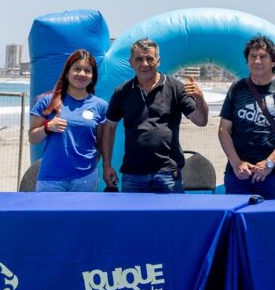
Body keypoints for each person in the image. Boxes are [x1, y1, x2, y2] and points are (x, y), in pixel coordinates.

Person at [101, 38, 209, 193]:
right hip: (133, 174)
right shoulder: (121, 92)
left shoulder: (175, 88)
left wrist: (199, 98)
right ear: (131, 62)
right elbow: (109, 128)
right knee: (132, 218)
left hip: (168, 174)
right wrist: (106, 165)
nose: (144, 64)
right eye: (139, 59)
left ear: (158, 61)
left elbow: (201, 121)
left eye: (149, 59)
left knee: (171, 218)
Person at [217, 35, 275, 200]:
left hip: (274, 174)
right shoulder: (237, 88)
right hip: (239, 174)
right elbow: (223, 129)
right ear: (247, 60)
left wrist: (269, 164)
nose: (257, 61)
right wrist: (236, 163)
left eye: (263, 56)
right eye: (253, 56)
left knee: (271, 223)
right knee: (236, 222)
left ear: (273, 61)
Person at [28, 49, 109, 192]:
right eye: (77, 69)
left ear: (93, 76)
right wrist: (48, 127)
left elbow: (101, 144)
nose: (82, 74)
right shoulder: (47, 101)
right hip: (50, 179)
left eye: (87, 71)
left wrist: (92, 165)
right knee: (49, 215)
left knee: (81, 215)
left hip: (85, 179)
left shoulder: (100, 106)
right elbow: (33, 137)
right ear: (67, 73)